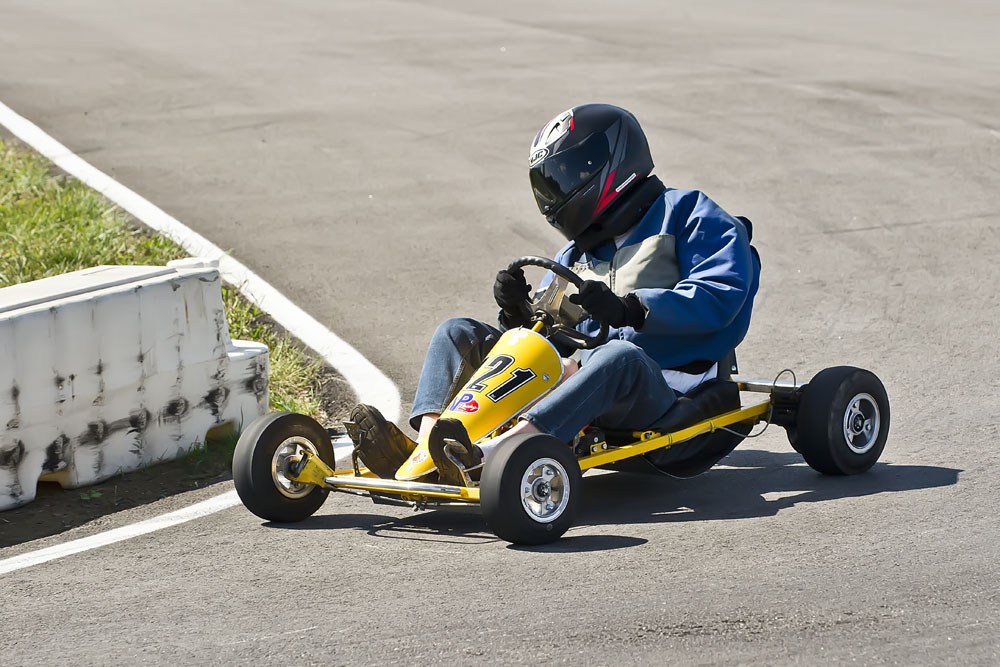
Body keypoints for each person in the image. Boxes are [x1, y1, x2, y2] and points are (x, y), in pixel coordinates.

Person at [349, 103, 761, 485]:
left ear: (614, 163)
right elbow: (547, 335)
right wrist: (516, 313)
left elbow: (721, 293)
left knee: (617, 355)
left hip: (665, 385)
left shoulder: (688, 213)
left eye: (572, 172)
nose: (560, 188)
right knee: (456, 331)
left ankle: (492, 455)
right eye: (552, 179)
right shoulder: (578, 252)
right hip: (580, 374)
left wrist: (632, 309)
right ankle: (428, 447)